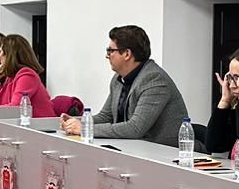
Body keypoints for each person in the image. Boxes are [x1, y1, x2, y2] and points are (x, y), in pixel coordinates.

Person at [59, 25, 188, 147]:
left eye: (110, 51)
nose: (107, 56)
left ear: (127, 54)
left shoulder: (154, 79)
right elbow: (106, 116)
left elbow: (135, 128)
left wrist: (85, 128)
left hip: (165, 154)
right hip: (134, 149)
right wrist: (78, 122)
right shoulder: (118, 79)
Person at [0, 33, 56, 117]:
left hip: (41, 127)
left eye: (1, 52)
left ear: (10, 55)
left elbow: (15, 108)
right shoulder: (11, 77)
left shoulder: (27, 75)